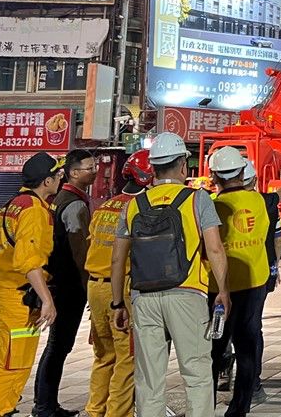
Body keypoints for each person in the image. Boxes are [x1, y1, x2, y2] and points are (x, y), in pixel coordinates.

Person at [110, 133, 230, 417]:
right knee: (197, 372)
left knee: (149, 377)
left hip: (144, 299)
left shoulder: (133, 204)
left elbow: (118, 257)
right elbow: (214, 249)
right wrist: (223, 291)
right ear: (182, 165)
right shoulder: (197, 199)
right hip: (187, 295)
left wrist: (118, 303)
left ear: (152, 167)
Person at [0, 152, 63, 417]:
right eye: (58, 175)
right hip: (19, 301)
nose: (60, 179)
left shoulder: (10, 205)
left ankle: (1, 409)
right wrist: (47, 300)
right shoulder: (33, 210)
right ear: (47, 181)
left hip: (5, 295)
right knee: (12, 366)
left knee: (4, 361)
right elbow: (29, 262)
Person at [82, 150, 153, 417]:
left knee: (103, 357)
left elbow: (92, 244)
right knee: (128, 359)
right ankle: (118, 414)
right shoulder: (138, 209)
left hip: (95, 287)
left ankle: (94, 410)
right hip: (119, 289)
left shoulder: (105, 206)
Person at [207, 147, 271, 417]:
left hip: (217, 287)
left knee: (212, 350)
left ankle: (205, 405)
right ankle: (239, 409)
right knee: (247, 348)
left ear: (214, 177)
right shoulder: (259, 202)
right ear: (243, 172)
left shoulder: (209, 204)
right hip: (254, 283)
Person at [34, 149, 97, 417]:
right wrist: (90, 288)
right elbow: (80, 252)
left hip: (55, 282)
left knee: (55, 346)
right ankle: (44, 406)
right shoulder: (75, 204)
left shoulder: (58, 199)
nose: (94, 171)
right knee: (59, 346)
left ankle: (45, 404)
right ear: (73, 172)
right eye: (89, 168)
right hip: (68, 285)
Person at [252, 159, 281, 407]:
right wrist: (275, 266)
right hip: (258, 278)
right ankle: (253, 384)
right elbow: (277, 239)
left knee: (223, 330)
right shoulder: (267, 203)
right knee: (253, 328)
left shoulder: (215, 204)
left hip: (223, 282)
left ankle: (221, 371)